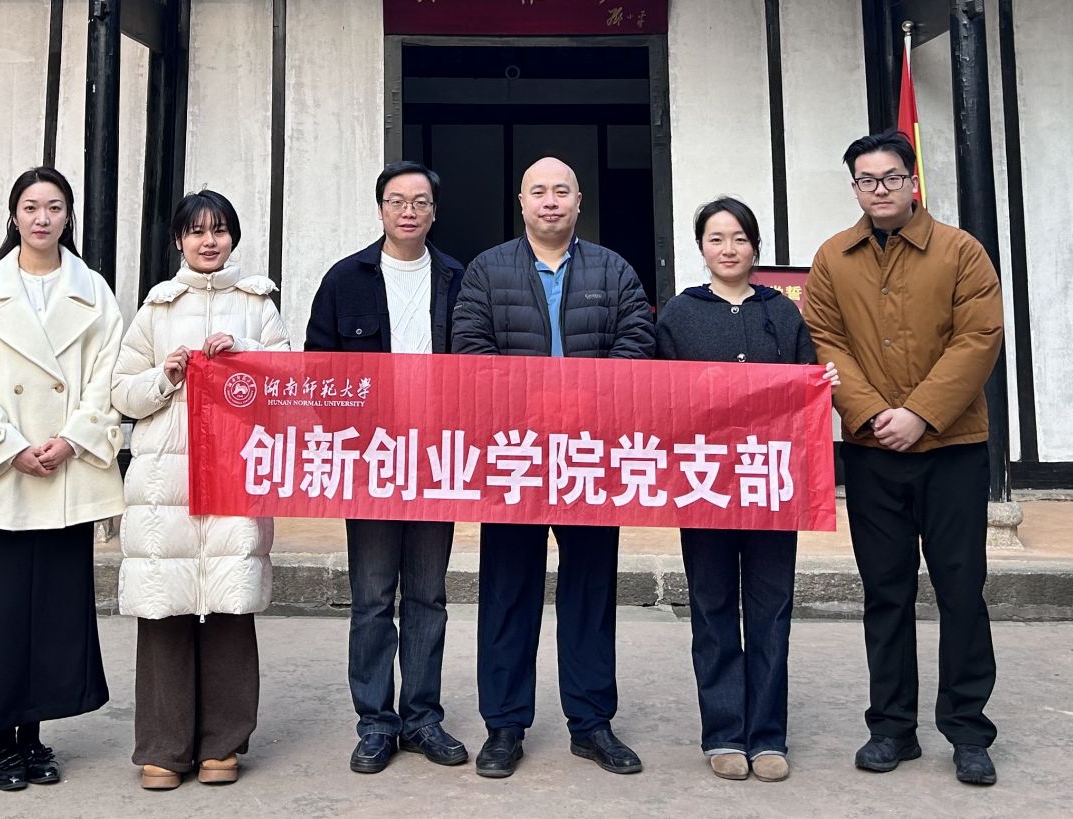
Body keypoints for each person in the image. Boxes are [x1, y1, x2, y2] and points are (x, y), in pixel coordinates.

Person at [800, 129, 1005, 787]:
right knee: (885, 592)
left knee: (960, 590)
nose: (880, 189)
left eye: (891, 177)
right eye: (867, 180)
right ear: (855, 188)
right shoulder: (834, 258)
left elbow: (979, 337)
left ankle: (967, 730)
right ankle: (891, 727)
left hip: (952, 447)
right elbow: (824, 338)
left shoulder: (960, 251)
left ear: (913, 181)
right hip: (872, 451)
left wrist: (920, 412)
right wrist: (867, 411)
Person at [452, 156, 656, 780]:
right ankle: (504, 726)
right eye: (538, 191)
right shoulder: (488, 269)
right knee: (507, 591)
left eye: (561, 191)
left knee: (590, 590)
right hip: (514, 454)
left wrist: (585, 405)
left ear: (578, 200)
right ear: (521, 202)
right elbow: (470, 349)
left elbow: (637, 341)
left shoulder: (612, 269)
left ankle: (591, 723)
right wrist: (530, 408)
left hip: (589, 454)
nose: (550, 201)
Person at [0, 167, 126, 791]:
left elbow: (107, 374)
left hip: (66, 468)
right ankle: (3, 743)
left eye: (53, 207)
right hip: (6, 473)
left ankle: (35, 736)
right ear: (14, 216)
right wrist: (10, 446)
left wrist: (73, 437)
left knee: (54, 612)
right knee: (0, 614)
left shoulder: (93, 291)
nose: (42, 218)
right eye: (30, 207)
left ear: (68, 216)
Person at [112, 190, 291, 790]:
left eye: (218, 230)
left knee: (229, 607)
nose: (208, 241)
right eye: (196, 231)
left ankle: (224, 744)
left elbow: (289, 380)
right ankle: (163, 748)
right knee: (165, 608)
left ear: (233, 238)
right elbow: (122, 392)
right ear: (178, 241)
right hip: (166, 481)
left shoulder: (258, 304)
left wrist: (244, 355)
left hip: (235, 471)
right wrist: (165, 376)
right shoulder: (157, 307)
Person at [656, 197, 833, 784]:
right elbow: (659, 398)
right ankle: (724, 732)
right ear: (700, 247)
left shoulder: (781, 312)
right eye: (716, 238)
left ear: (755, 247)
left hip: (770, 483)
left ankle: (768, 735)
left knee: (770, 608)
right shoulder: (679, 315)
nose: (728, 249)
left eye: (738, 238)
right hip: (703, 484)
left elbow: (806, 391)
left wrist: (822, 383)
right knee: (711, 609)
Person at [305, 160, 469, 775]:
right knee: (373, 596)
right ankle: (376, 723)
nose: (408, 211)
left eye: (420, 201)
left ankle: (422, 718)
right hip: (370, 459)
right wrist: (346, 445)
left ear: (434, 212)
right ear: (380, 209)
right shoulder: (345, 279)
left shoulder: (459, 278)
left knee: (427, 594)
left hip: (436, 458)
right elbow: (318, 371)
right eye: (397, 200)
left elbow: (481, 366)